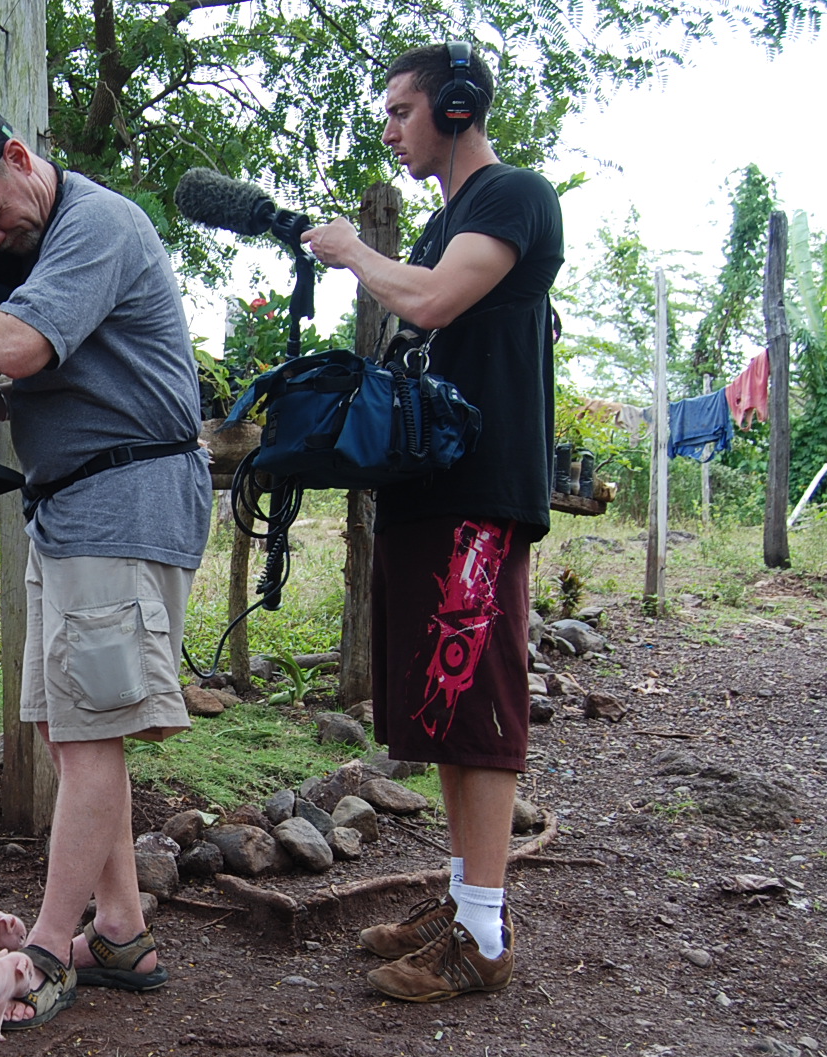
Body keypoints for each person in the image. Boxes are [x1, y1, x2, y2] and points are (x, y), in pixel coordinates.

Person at [0, 104, 211, 1028]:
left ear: (21, 160)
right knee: (73, 733)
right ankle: (121, 933)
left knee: (92, 737)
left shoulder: (97, 224)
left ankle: (46, 954)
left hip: (126, 502)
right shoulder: (35, 246)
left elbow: (20, 347)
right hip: (70, 506)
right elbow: (48, 378)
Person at [302, 43, 563, 1001]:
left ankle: (484, 938)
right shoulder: (448, 218)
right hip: (435, 489)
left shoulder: (513, 196)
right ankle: (462, 901)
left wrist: (353, 252)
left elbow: (436, 297)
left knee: (479, 698)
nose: (389, 128)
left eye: (402, 110)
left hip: (481, 494)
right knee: (446, 710)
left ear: (455, 108)